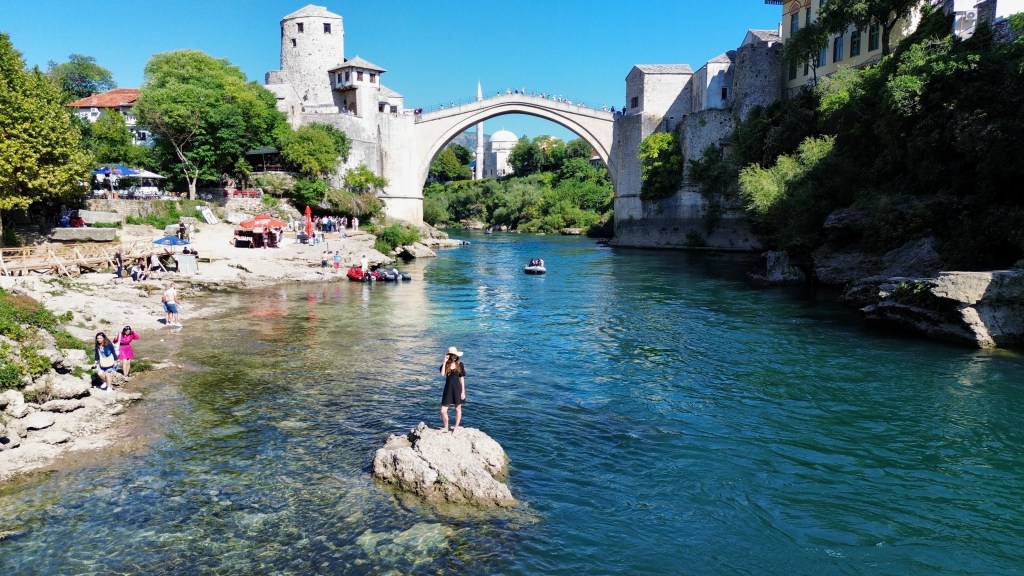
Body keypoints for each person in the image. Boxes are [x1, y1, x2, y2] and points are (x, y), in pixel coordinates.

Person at [439, 347, 466, 434]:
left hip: (457, 389)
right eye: (452, 355)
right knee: (443, 411)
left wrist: (463, 392)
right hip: (448, 389)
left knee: (458, 409)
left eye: (455, 355)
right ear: (449, 355)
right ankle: (446, 427)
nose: (454, 357)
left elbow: (462, 379)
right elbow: (442, 374)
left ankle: (456, 428)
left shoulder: (460, 364)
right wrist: (444, 361)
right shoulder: (446, 364)